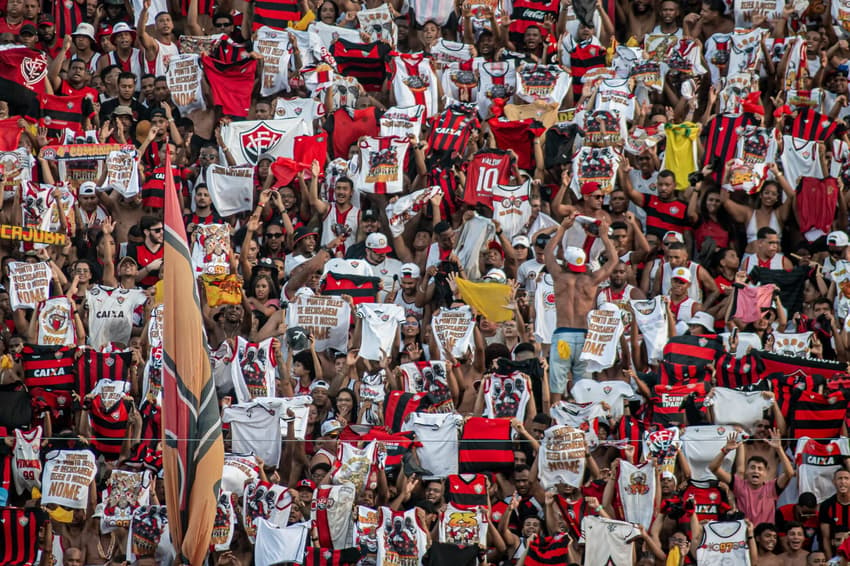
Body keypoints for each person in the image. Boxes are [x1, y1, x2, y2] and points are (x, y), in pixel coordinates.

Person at [544, 210, 617, 400]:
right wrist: (604, 237)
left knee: (557, 388)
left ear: (566, 262)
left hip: (562, 337)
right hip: (585, 338)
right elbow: (613, 261)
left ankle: (556, 425)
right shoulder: (591, 280)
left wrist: (562, 229)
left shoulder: (559, 277)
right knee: (583, 388)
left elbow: (547, 253)